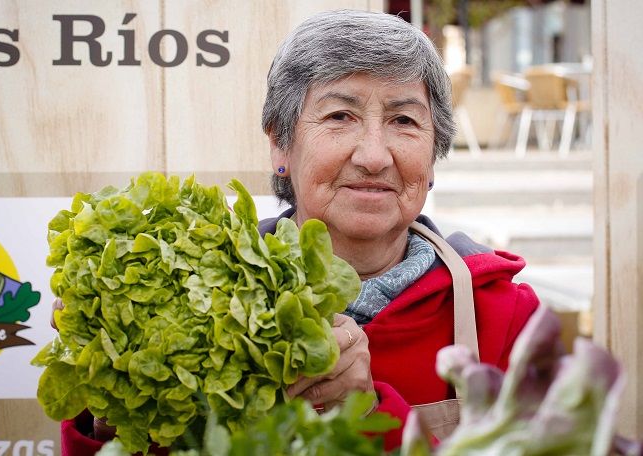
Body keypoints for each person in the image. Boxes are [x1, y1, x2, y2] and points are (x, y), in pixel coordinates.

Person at [58, 9, 540, 454]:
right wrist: (119, 403)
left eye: (404, 120)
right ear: (279, 146)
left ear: (433, 156)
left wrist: (370, 414)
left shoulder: (503, 316)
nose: (374, 155)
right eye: (339, 116)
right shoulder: (193, 300)